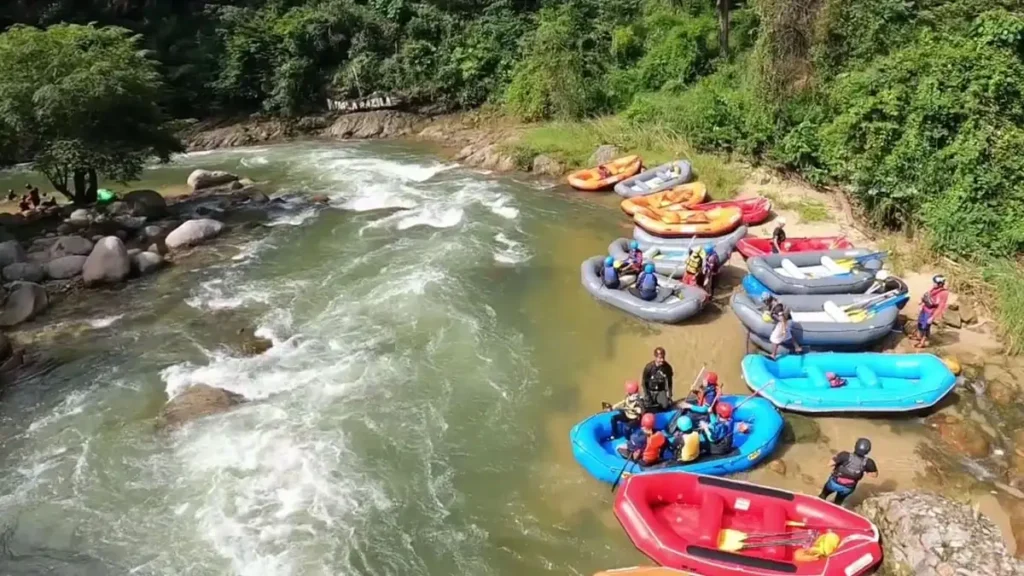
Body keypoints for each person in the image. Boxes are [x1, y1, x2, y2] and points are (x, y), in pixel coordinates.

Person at [819, 438, 878, 506]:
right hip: (847, 488)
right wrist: (865, 471)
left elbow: (829, 464)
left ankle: (817, 505)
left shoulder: (844, 455)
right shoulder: (869, 462)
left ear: (855, 446)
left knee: (823, 495)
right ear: (868, 451)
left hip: (834, 483)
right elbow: (874, 475)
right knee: (838, 502)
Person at [913, 275, 949, 348]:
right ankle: (919, 336)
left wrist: (932, 317)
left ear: (940, 284)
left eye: (935, 283)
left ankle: (923, 342)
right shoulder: (934, 289)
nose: (933, 284)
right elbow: (927, 295)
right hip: (925, 309)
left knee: (926, 327)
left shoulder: (943, 293)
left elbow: (940, 307)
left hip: (931, 312)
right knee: (920, 323)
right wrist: (922, 302)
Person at [763, 293, 803, 358]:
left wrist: (783, 329)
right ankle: (798, 348)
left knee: (774, 338)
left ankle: (773, 355)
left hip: (783, 323)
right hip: (788, 320)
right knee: (789, 335)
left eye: (764, 301)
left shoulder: (777, 307)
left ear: (767, 300)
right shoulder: (775, 302)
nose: (764, 303)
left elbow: (781, 319)